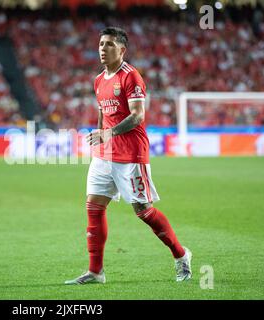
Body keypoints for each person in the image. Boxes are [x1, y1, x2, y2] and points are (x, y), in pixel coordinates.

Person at [65, 27, 192, 285]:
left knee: (143, 211)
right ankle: (95, 271)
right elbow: (102, 111)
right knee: (94, 206)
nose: (103, 48)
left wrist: (108, 134)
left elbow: (137, 116)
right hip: (105, 153)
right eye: (101, 43)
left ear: (122, 49)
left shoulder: (131, 76)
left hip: (131, 154)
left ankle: (181, 256)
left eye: (109, 44)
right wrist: (101, 135)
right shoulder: (99, 80)